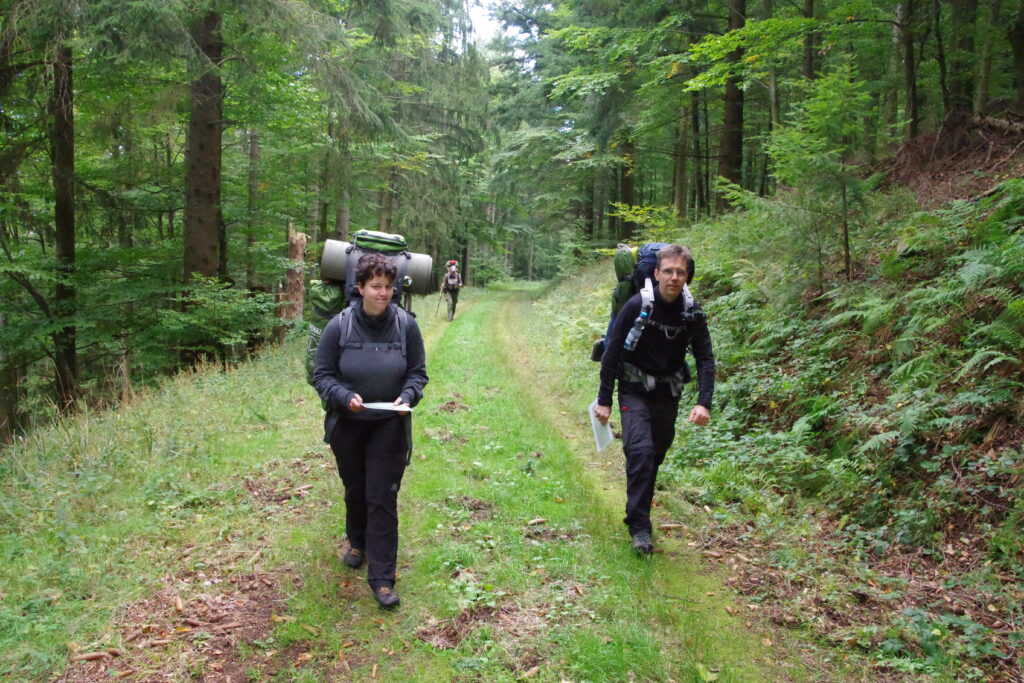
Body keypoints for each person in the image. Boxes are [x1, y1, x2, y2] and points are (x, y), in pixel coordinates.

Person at [313, 253, 428, 608]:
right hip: (348, 424)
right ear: (359, 287)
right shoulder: (340, 326)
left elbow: (418, 373)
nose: (383, 293)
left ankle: (382, 579)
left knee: (382, 496)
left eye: (388, 287)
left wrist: (407, 397)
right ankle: (357, 541)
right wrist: (344, 397)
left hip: (389, 425)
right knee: (356, 488)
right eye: (375, 286)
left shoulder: (405, 325)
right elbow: (322, 374)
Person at [594, 244, 715, 555]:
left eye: (681, 272)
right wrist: (604, 399)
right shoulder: (637, 305)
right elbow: (612, 353)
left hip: (668, 394)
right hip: (633, 390)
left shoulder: (692, 312)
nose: (674, 277)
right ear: (657, 273)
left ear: (687, 276)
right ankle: (639, 527)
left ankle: (640, 498)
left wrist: (704, 402)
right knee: (641, 452)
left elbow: (705, 358)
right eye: (669, 271)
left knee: (655, 455)